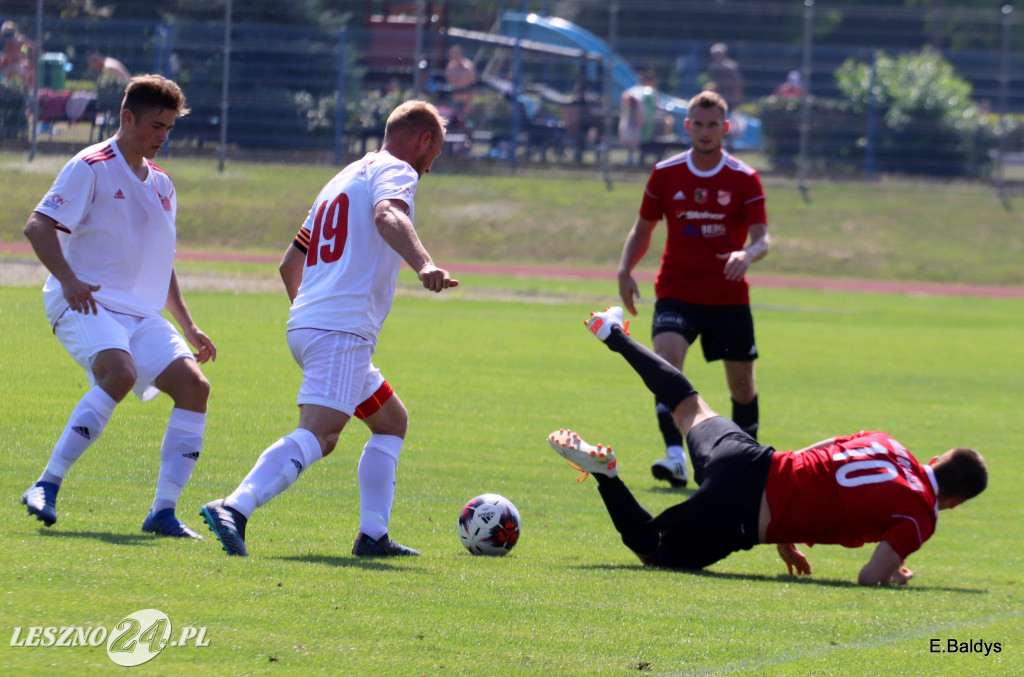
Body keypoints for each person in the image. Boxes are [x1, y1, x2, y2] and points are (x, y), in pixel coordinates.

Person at [549, 306, 988, 584]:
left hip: (754, 458)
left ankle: (614, 334)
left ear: (935, 459)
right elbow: (868, 577)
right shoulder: (919, 514)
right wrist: (893, 574)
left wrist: (789, 526)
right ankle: (607, 476)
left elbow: (823, 450)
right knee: (655, 552)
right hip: (745, 512)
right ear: (956, 502)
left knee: (687, 405)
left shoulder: (889, 444)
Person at [201, 100, 458, 558]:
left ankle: (373, 535)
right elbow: (388, 216)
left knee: (391, 421)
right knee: (321, 434)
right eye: (433, 155)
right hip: (341, 330)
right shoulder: (397, 171)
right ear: (422, 140)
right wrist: (424, 264)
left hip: (311, 323)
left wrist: (311, 314)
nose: (429, 167)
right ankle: (234, 507)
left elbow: (288, 264)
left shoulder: (341, 179)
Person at [20, 75, 215, 539]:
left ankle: (163, 512)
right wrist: (69, 281)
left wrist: (187, 325)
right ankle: (45, 484)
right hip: (86, 300)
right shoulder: (91, 166)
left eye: (169, 127)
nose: (163, 136)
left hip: (143, 316)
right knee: (120, 375)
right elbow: (38, 226)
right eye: (155, 126)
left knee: (194, 388)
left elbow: (161, 261)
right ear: (127, 118)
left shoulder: (165, 185)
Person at [617, 90, 769, 488]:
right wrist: (625, 269)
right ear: (687, 126)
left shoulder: (743, 177)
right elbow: (644, 228)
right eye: (698, 124)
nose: (705, 131)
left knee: (742, 387)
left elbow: (763, 238)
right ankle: (675, 457)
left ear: (725, 128)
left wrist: (747, 254)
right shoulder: (665, 173)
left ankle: (745, 467)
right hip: (677, 290)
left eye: (712, 124)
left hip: (727, 296)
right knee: (666, 364)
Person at [707, 43, 743, 112]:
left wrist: (736, 101)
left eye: (718, 54)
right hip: (716, 99)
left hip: (729, 100)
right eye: (715, 54)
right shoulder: (713, 67)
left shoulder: (731, 67)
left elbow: (737, 85)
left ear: (724, 54)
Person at [0, 20, 35, 89]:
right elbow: (32, 47)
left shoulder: (11, 43)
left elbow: (8, 60)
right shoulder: (20, 40)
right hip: (19, 68)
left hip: (12, 69)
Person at [444, 45, 476, 118]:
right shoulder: (450, 67)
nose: (454, 56)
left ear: (460, 54)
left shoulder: (467, 68)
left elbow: (472, 86)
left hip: (465, 101)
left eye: (456, 53)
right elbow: (450, 83)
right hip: (453, 100)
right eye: (452, 54)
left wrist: (469, 103)